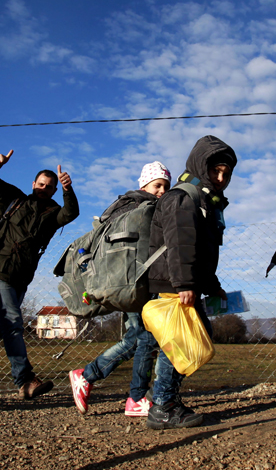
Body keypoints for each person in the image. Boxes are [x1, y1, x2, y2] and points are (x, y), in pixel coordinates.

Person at [0, 149, 78, 400]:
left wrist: (68, 189)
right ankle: (25, 379)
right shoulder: (15, 199)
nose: (44, 188)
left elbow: (71, 212)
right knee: (12, 321)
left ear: (54, 190)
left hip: (21, 278)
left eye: (50, 186)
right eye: (41, 184)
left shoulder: (52, 213)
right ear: (33, 184)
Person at [144, 136, 235, 429]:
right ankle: (162, 405)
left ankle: (160, 396)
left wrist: (212, 284)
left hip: (182, 284)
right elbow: (179, 244)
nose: (221, 178)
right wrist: (184, 283)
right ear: (201, 166)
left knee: (189, 343)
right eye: (215, 171)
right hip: (173, 285)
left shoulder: (204, 200)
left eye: (226, 173)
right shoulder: (183, 197)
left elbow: (202, 252)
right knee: (183, 345)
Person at [69, 161, 170, 417]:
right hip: (137, 282)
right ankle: (131, 397)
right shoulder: (143, 206)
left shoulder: (122, 205)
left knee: (136, 338)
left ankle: (89, 377)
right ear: (144, 184)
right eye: (157, 185)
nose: (161, 190)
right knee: (145, 337)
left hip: (129, 281)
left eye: (165, 186)